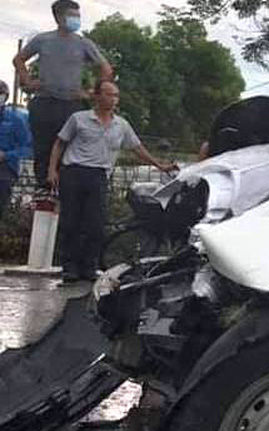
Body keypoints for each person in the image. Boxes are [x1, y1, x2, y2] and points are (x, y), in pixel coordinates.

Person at [48, 80, 176, 284]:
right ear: (97, 96)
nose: (113, 99)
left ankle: (89, 266)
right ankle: (70, 268)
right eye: (109, 94)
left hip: (99, 175)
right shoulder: (79, 119)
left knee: (95, 224)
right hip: (74, 172)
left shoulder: (121, 125)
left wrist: (160, 165)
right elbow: (59, 143)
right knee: (71, 222)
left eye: (116, 95)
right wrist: (52, 169)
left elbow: (137, 148)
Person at [13, 0, 113, 189]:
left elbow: (106, 69)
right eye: (72, 15)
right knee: (43, 148)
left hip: (71, 104)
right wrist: (28, 81)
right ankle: (43, 191)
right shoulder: (43, 40)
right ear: (59, 17)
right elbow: (18, 59)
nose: (76, 19)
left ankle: (65, 192)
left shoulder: (83, 44)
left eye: (78, 15)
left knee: (69, 149)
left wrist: (91, 93)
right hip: (44, 101)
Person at [0, 80, 32, 219]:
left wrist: (6, 155)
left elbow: (27, 147)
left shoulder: (16, 119)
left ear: (5, 96)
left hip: (5, 169)